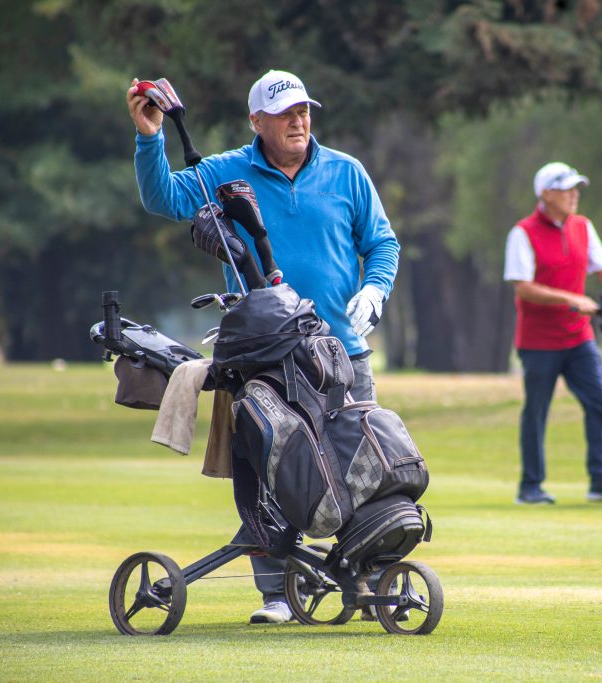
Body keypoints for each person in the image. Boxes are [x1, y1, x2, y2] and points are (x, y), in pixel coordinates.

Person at [127, 69, 399, 624]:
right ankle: (276, 592)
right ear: (258, 122)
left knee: (363, 466)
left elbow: (383, 244)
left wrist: (374, 291)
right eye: (285, 114)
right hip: (265, 353)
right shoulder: (226, 172)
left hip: (342, 350)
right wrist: (150, 137)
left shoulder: (346, 173)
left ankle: (368, 584)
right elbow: (162, 197)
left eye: (304, 111)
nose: (299, 121)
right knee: (272, 466)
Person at [503, 162, 602, 505]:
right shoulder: (522, 232)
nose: (574, 195)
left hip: (579, 338)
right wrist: (571, 299)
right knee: (537, 411)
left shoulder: (583, 227)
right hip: (539, 342)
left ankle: (601, 481)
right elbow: (523, 288)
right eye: (567, 189)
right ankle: (530, 487)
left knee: (599, 402)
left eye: (576, 188)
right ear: (547, 194)